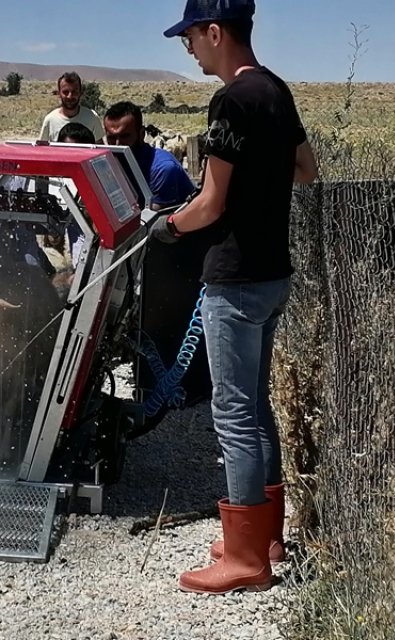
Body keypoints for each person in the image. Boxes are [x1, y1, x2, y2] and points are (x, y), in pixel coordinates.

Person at [150, 0, 318, 595]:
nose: (188, 48)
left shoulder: (231, 100)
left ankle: (247, 558)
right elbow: (306, 167)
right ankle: (264, 535)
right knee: (255, 403)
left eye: (190, 37)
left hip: (236, 276)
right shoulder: (275, 91)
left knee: (233, 411)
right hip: (273, 273)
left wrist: (166, 226)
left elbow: (210, 205)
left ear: (215, 32)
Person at [102, 101, 197, 208]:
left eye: (125, 136)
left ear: (141, 134)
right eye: (111, 138)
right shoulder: (110, 163)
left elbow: (152, 219)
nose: (117, 144)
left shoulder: (163, 168)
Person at [38, 72, 105, 143]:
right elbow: (42, 149)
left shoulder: (92, 117)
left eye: (74, 92)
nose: (70, 96)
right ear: (59, 93)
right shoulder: (50, 120)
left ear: (81, 93)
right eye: (65, 92)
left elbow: (100, 147)